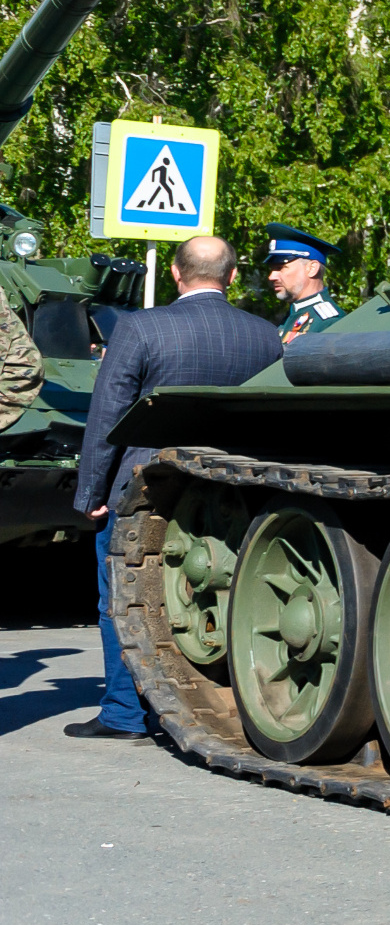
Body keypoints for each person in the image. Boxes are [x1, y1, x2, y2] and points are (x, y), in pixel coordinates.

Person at [66, 235, 283, 741]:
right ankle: (203, 705)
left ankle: (125, 712)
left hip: (145, 492)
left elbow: (108, 418)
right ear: (231, 277)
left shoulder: (140, 328)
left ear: (175, 274)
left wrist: (90, 494)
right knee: (212, 602)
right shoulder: (264, 335)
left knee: (124, 600)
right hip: (229, 495)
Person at [261, 224, 345, 340]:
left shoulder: (329, 322)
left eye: (281, 267)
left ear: (312, 268)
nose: (272, 276)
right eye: (272, 269)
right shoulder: (292, 315)